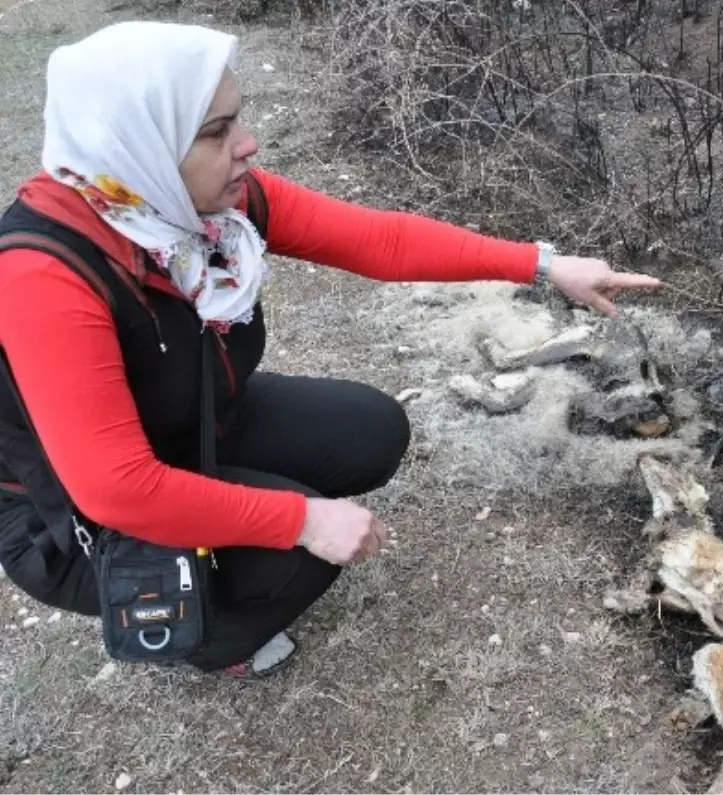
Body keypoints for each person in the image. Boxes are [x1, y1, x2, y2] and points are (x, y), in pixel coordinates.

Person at [0, 21, 660, 678]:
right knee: (301, 554)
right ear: (140, 142)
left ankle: (235, 519)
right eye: (214, 132)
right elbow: (118, 489)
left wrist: (544, 266)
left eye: (239, 120)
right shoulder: (45, 276)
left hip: (193, 427)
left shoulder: (199, 211)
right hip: (67, 518)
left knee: (373, 430)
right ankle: (208, 638)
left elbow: (381, 242)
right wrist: (300, 517)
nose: (248, 145)